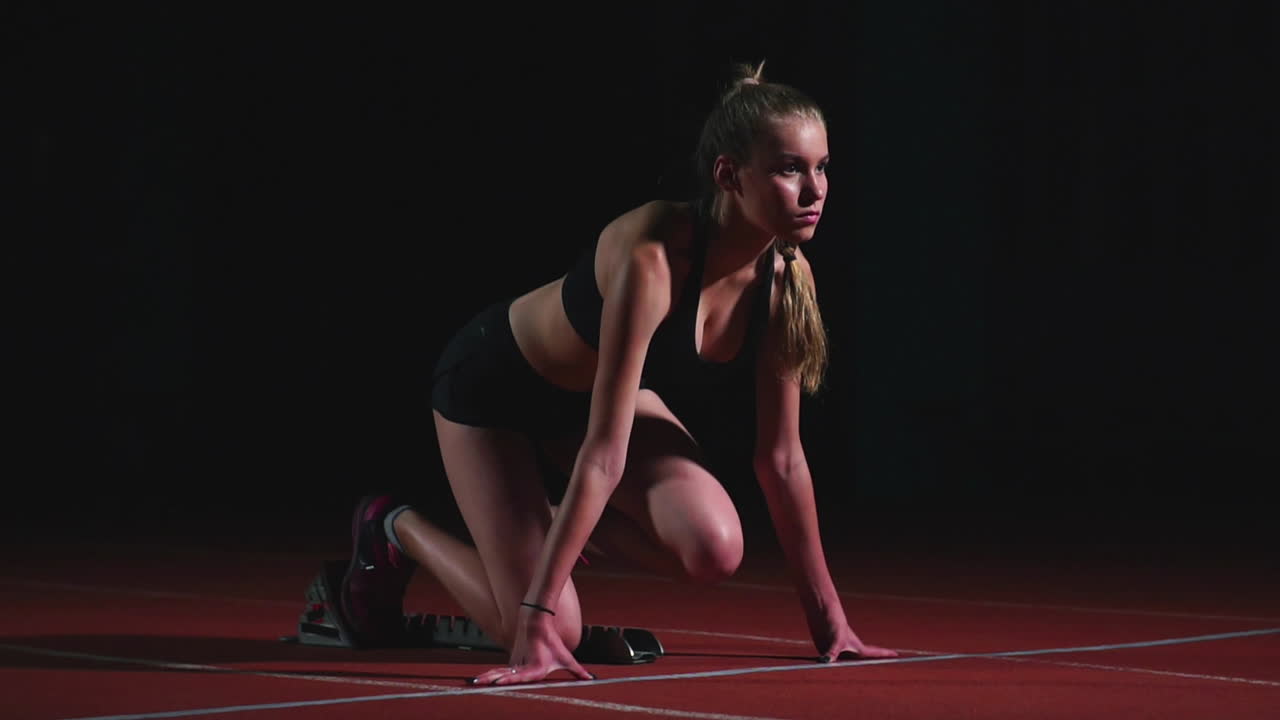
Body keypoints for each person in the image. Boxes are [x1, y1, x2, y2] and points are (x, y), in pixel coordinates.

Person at [338, 60, 897, 687]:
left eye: (822, 167)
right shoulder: (653, 254)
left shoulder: (787, 279)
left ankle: (526, 523)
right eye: (789, 168)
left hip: (593, 407)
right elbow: (606, 454)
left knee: (716, 547)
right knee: (551, 628)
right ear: (728, 175)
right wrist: (537, 617)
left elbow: (783, 459)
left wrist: (830, 625)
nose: (815, 189)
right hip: (495, 391)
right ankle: (398, 524)